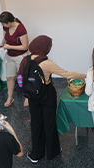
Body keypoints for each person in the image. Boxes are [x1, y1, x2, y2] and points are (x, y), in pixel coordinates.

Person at [18, 35, 86, 164]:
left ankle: (36, 154)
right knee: (49, 122)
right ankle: (52, 151)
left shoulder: (25, 60)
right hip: (47, 94)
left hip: (32, 95)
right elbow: (68, 74)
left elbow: (20, 77)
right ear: (45, 47)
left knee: (36, 123)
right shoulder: (47, 63)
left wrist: (25, 95)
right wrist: (87, 75)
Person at [0, 11, 29, 107]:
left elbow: (25, 46)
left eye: (3, 23)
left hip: (21, 56)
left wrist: (9, 46)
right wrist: (2, 43)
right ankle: (10, 97)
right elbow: (6, 37)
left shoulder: (21, 29)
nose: (2, 25)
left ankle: (28, 97)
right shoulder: (6, 27)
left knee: (24, 77)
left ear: (9, 23)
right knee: (9, 77)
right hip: (10, 56)